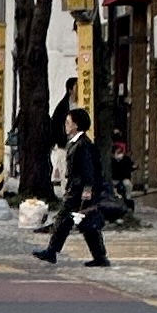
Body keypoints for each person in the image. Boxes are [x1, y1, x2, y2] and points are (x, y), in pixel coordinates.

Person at [35, 105, 110, 268]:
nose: (66, 125)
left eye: (68, 122)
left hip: (79, 190)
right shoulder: (76, 143)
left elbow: (87, 168)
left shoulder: (83, 144)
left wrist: (88, 188)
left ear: (76, 125)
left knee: (65, 220)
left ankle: (52, 251)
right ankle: (99, 257)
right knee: (84, 224)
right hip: (77, 188)